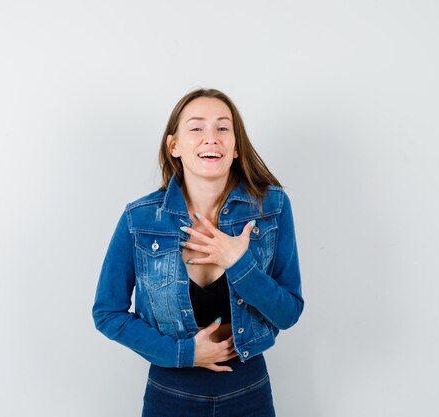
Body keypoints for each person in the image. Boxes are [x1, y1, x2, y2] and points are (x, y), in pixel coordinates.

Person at [92, 88, 304, 416]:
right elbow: (108, 313)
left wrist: (238, 263)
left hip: (248, 393)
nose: (211, 138)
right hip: (170, 395)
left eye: (223, 128)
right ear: (174, 145)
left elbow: (288, 312)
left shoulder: (271, 208)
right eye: (196, 128)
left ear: (235, 147)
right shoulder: (140, 219)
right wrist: (184, 354)